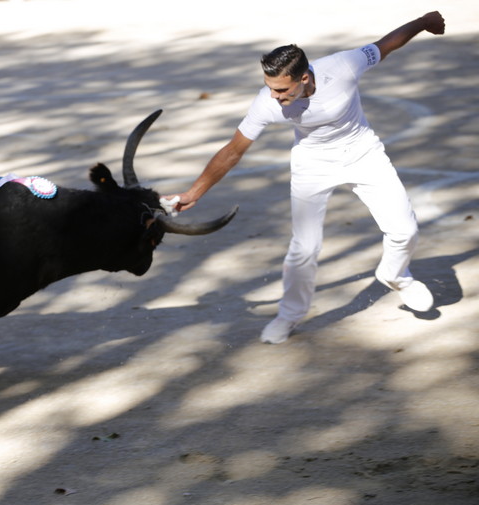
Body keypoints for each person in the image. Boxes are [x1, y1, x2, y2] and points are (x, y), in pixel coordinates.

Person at [166, 11, 446, 344]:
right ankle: (289, 315)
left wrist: (424, 21)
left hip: (364, 154)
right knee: (304, 248)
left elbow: (386, 45)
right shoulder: (267, 102)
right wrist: (194, 193)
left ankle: (396, 275)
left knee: (405, 230)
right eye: (270, 88)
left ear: (304, 78)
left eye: (282, 90)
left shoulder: (343, 66)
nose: (275, 97)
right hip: (312, 164)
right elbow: (233, 150)